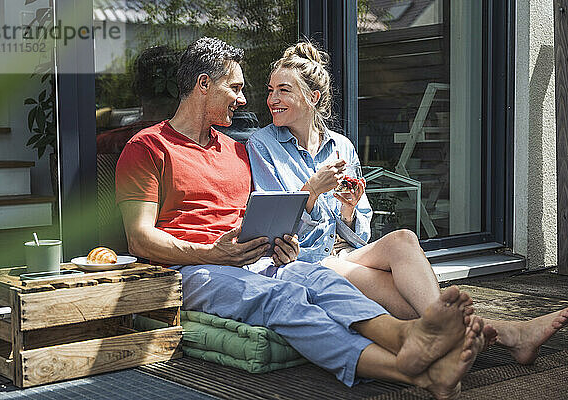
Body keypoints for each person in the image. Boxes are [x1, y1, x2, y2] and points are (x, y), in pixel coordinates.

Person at [115, 37, 486, 399]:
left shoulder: (235, 151)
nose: (244, 100)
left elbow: (260, 216)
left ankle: (409, 339)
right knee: (283, 298)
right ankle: (410, 369)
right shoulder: (148, 147)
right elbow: (139, 238)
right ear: (203, 85)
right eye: (235, 88)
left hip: (249, 259)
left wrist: (279, 241)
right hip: (192, 270)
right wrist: (213, 254)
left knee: (322, 280)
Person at [245, 40, 568, 373]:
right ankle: (508, 334)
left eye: (283, 90)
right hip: (302, 261)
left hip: (342, 254)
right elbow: (275, 224)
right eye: (271, 90)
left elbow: (359, 229)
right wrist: (312, 191)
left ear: (312, 98)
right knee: (395, 291)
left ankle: (479, 334)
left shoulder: (340, 146)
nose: (272, 99)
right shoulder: (263, 144)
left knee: (402, 239)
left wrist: (349, 208)